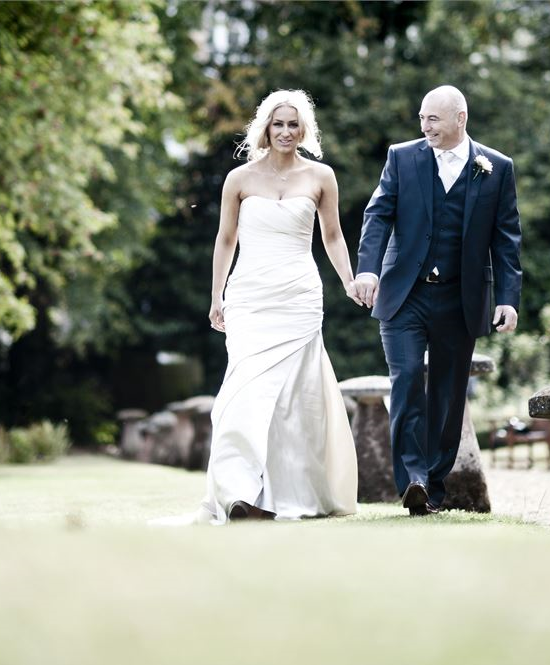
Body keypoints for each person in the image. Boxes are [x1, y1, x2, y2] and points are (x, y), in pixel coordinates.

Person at [352, 85, 522, 516]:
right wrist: (368, 268)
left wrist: (508, 298)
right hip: (404, 294)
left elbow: (506, 238)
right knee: (407, 379)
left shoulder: (497, 167)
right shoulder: (401, 157)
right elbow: (378, 214)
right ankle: (413, 479)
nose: (425, 127)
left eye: (433, 119)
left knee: (448, 394)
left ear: (460, 119)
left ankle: (433, 485)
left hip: (460, 297)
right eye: (422, 118)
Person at [200, 89, 359, 523]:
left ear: (303, 129)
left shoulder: (321, 176)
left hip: (299, 297)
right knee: (243, 391)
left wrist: (348, 280)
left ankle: (289, 493)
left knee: (294, 399)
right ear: (265, 129)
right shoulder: (239, 179)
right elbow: (225, 239)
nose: (285, 132)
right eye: (278, 124)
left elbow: (332, 236)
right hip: (249, 297)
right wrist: (216, 296)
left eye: (293, 124)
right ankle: (237, 492)